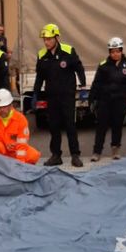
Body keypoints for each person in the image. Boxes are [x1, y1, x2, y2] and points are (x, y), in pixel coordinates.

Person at [32, 22, 86, 167]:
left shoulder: (68, 51)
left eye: (49, 39)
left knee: (70, 126)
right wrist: (35, 94)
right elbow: (39, 77)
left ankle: (75, 155)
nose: (46, 42)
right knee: (54, 127)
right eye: (45, 39)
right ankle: (56, 155)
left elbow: (78, 67)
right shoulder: (42, 55)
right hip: (52, 96)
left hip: (67, 95)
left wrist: (82, 83)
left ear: (56, 37)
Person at [89, 36, 126, 161]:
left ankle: (115, 150)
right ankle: (97, 152)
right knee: (101, 127)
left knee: (117, 126)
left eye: (117, 51)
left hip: (120, 101)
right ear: (109, 52)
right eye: (112, 51)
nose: (115, 54)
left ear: (122, 51)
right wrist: (92, 99)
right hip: (104, 101)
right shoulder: (103, 66)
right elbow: (96, 84)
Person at [0, 88, 40, 164]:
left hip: (15, 153)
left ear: (11, 105)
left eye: (4, 106)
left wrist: (20, 165)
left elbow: (22, 145)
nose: (2, 110)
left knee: (33, 155)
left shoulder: (20, 119)